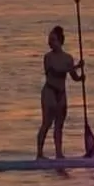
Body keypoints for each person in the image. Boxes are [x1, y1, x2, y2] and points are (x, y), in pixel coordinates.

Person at [37, 25, 85, 160]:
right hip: (49, 92)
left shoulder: (68, 58)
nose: (50, 42)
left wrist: (80, 77)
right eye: (49, 40)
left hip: (61, 93)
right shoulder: (48, 57)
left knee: (59, 125)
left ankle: (59, 153)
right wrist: (76, 66)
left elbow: (73, 76)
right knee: (46, 123)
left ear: (60, 41)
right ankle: (40, 154)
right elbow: (55, 71)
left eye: (53, 40)